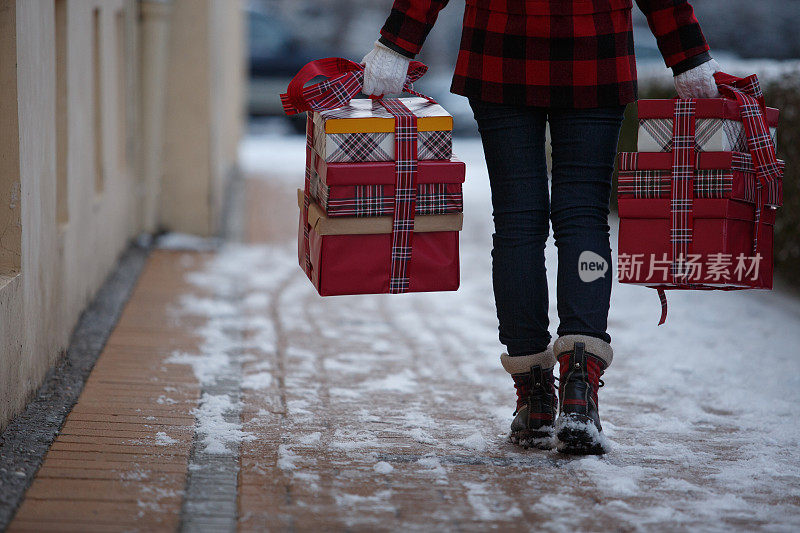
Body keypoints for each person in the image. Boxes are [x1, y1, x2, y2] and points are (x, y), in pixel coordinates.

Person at [361, 0, 719, 455]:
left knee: (517, 224)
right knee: (584, 215)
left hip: (500, 53)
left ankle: (534, 399)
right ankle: (579, 388)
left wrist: (396, 44)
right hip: (596, 55)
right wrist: (689, 57)